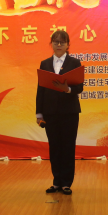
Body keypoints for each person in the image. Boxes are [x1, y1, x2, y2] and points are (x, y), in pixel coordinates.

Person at [36, 30, 84, 195]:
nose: (58, 45)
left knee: (68, 147)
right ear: (51, 44)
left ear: (68, 45)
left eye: (62, 42)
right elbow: (40, 89)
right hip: (50, 112)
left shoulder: (74, 63)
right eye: (55, 42)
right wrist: (39, 113)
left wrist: (67, 89)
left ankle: (66, 183)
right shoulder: (45, 64)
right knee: (54, 147)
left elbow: (79, 87)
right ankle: (56, 181)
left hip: (69, 112)